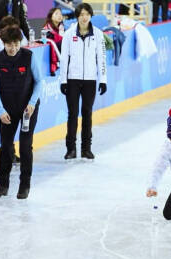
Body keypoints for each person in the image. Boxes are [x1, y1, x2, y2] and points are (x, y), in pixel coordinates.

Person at [0, 25, 42, 199]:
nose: (13, 48)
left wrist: (32, 103)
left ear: (20, 42)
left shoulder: (29, 56)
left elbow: (39, 82)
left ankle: (24, 185)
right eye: (9, 44)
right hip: (7, 110)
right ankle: (3, 184)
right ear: (3, 43)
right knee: (6, 147)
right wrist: (0, 110)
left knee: (26, 147)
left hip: (28, 108)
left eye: (16, 44)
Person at [60, 3, 107, 160]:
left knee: (87, 114)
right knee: (72, 114)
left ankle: (86, 149)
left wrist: (103, 79)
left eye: (87, 14)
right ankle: (71, 149)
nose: (84, 17)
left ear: (91, 15)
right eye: (81, 14)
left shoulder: (98, 34)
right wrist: (63, 80)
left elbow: (101, 58)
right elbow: (64, 58)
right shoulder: (68, 34)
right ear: (77, 16)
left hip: (90, 80)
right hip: (73, 79)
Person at [43, 7, 64, 76]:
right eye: (56, 14)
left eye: (60, 14)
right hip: (50, 59)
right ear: (51, 16)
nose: (59, 16)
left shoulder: (62, 28)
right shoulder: (46, 30)